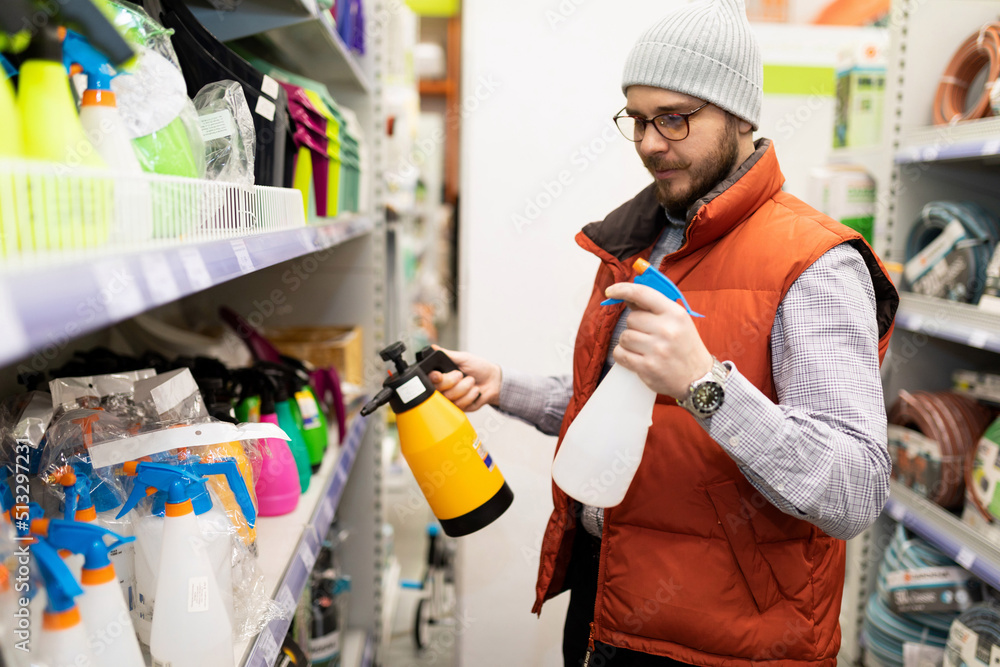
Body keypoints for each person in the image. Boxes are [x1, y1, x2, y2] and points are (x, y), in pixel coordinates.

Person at [430, 1, 899, 665]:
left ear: (739, 115)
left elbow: (853, 489)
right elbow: (626, 407)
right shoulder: (643, 237)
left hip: (724, 644)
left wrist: (706, 385)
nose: (651, 142)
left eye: (675, 117)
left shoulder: (815, 262)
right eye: (639, 119)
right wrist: (504, 385)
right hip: (608, 605)